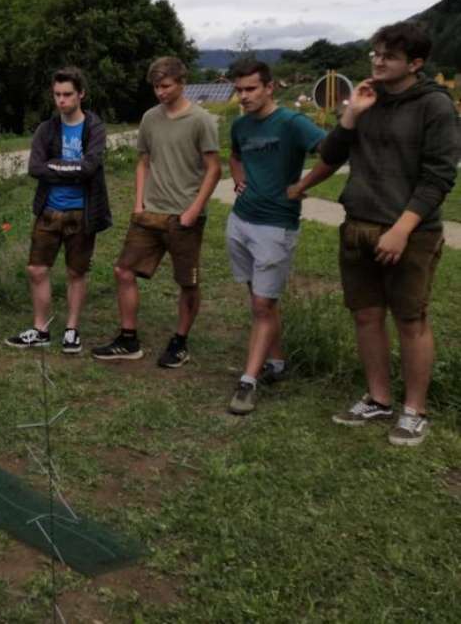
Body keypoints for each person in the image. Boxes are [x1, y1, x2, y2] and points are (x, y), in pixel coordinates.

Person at [290, 22, 459, 446]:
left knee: (411, 319)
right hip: (358, 224)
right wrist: (350, 116)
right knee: (366, 315)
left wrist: (402, 229)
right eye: (376, 54)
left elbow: (439, 176)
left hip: (410, 232)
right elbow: (330, 155)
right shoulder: (368, 98)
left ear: (415, 63)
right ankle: (379, 399)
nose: (379, 62)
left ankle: (414, 410)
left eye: (390, 56)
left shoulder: (434, 106)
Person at [95, 56, 221, 367]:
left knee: (187, 282)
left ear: (181, 83)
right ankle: (128, 339)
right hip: (151, 212)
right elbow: (143, 161)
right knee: (123, 271)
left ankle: (180, 342)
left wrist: (194, 210)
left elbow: (213, 169)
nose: (160, 92)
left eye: (166, 86)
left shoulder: (201, 120)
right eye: (155, 87)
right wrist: (138, 203)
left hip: (184, 215)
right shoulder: (150, 118)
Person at [224, 59, 326, 415]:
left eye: (251, 89)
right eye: (239, 89)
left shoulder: (292, 122)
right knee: (258, 298)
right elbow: (235, 156)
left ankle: (248, 382)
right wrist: (239, 181)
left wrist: (302, 185)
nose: (244, 96)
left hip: (276, 225)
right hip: (240, 221)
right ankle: (277, 364)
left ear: (270, 87)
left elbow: (330, 151)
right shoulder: (240, 125)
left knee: (262, 305)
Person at [7, 67, 112, 352]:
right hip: (49, 210)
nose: (61, 100)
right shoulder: (47, 128)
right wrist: (71, 170)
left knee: (76, 272)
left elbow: (91, 167)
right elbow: (35, 168)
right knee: (36, 269)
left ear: (81, 94)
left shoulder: (94, 127)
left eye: (67, 94)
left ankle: (71, 330)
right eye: (57, 95)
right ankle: (41, 329)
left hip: (82, 211)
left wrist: (56, 166)